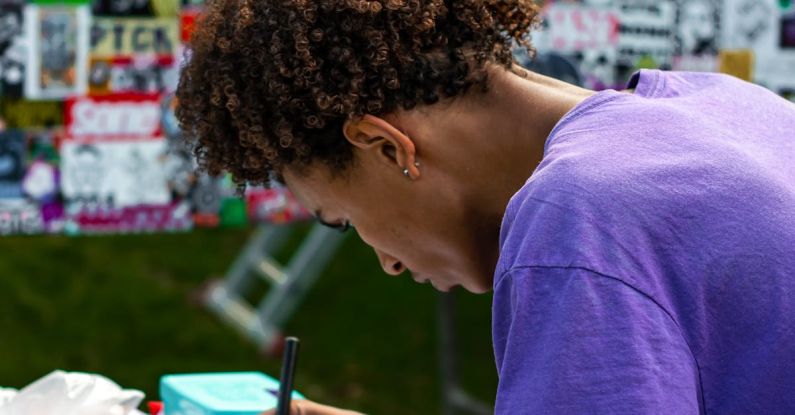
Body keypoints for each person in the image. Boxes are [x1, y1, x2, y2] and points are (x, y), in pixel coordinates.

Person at [176, 1, 795, 414]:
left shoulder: (579, 221)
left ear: (386, 147)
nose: (387, 262)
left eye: (342, 219)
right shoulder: (730, 103)